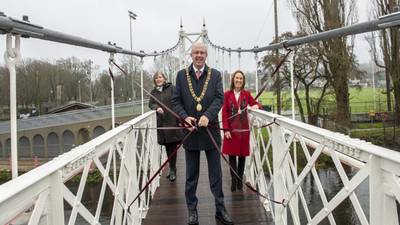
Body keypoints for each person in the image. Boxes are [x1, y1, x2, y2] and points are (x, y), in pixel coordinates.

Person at [172, 42, 234, 225]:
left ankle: (220, 209)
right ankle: (192, 210)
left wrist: (208, 115)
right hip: (190, 132)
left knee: (216, 175)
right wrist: (185, 117)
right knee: (191, 176)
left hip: (211, 131)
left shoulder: (215, 75)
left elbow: (219, 98)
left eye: (202, 52)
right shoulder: (181, 76)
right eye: (196, 52)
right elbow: (176, 101)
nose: (199, 55)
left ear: (206, 55)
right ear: (191, 55)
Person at [221, 70, 261, 192]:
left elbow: (257, 104)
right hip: (232, 130)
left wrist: (255, 106)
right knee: (232, 157)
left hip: (243, 131)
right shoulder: (227, 95)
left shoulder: (246, 94)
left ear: (243, 81)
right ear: (233, 80)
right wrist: (226, 129)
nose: (238, 80)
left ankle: (239, 182)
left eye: (241, 79)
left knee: (242, 157)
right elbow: (224, 113)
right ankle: (234, 181)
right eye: (237, 78)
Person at [148, 71, 183, 182]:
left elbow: (178, 100)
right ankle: (172, 167)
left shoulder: (171, 88)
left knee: (172, 145)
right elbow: (151, 104)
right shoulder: (153, 92)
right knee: (167, 146)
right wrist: (156, 107)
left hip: (172, 120)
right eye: (156, 78)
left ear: (164, 78)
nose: (158, 79)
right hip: (162, 122)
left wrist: (180, 116)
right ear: (154, 80)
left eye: (160, 77)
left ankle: (172, 169)